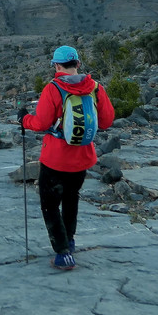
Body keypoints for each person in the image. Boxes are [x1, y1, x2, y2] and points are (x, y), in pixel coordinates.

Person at [17, 45, 115, 270]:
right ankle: (69, 243)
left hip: (55, 159)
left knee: (50, 206)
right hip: (82, 158)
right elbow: (107, 121)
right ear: (78, 64)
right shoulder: (96, 88)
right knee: (71, 201)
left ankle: (62, 254)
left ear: (56, 66)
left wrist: (24, 119)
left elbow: (41, 123)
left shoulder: (53, 89)